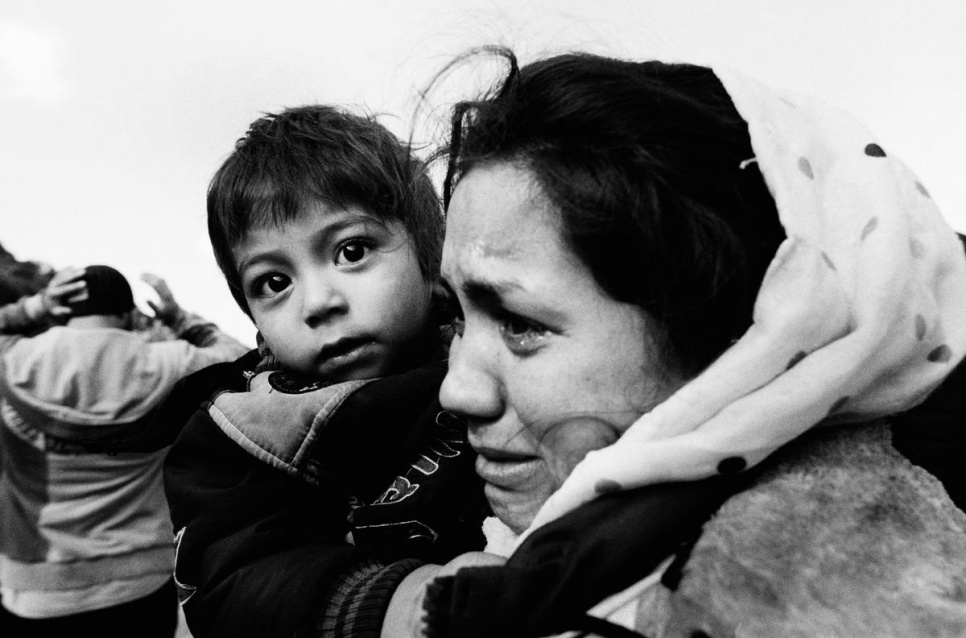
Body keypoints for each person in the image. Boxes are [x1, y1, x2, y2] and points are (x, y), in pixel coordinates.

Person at [381, 52, 966, 637]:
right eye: (457, 316)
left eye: (518, 322)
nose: (456, 390)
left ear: (740, 340)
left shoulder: (817, 596)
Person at [156, 105, 491, 638]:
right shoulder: (244, 431)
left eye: (351, 251)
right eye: (273, 283)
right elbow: (236, 578)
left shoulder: (497, 362)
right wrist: (396, 606)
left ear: (433, 256)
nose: (317, 303)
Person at [0, 265, 247, 638]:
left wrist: (33, 308)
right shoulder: (171, 363)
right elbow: (241, 360)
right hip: (140, 585)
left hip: (35, 589)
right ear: (130, 314)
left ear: (65, 310)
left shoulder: (12, 360)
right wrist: (178, 318)